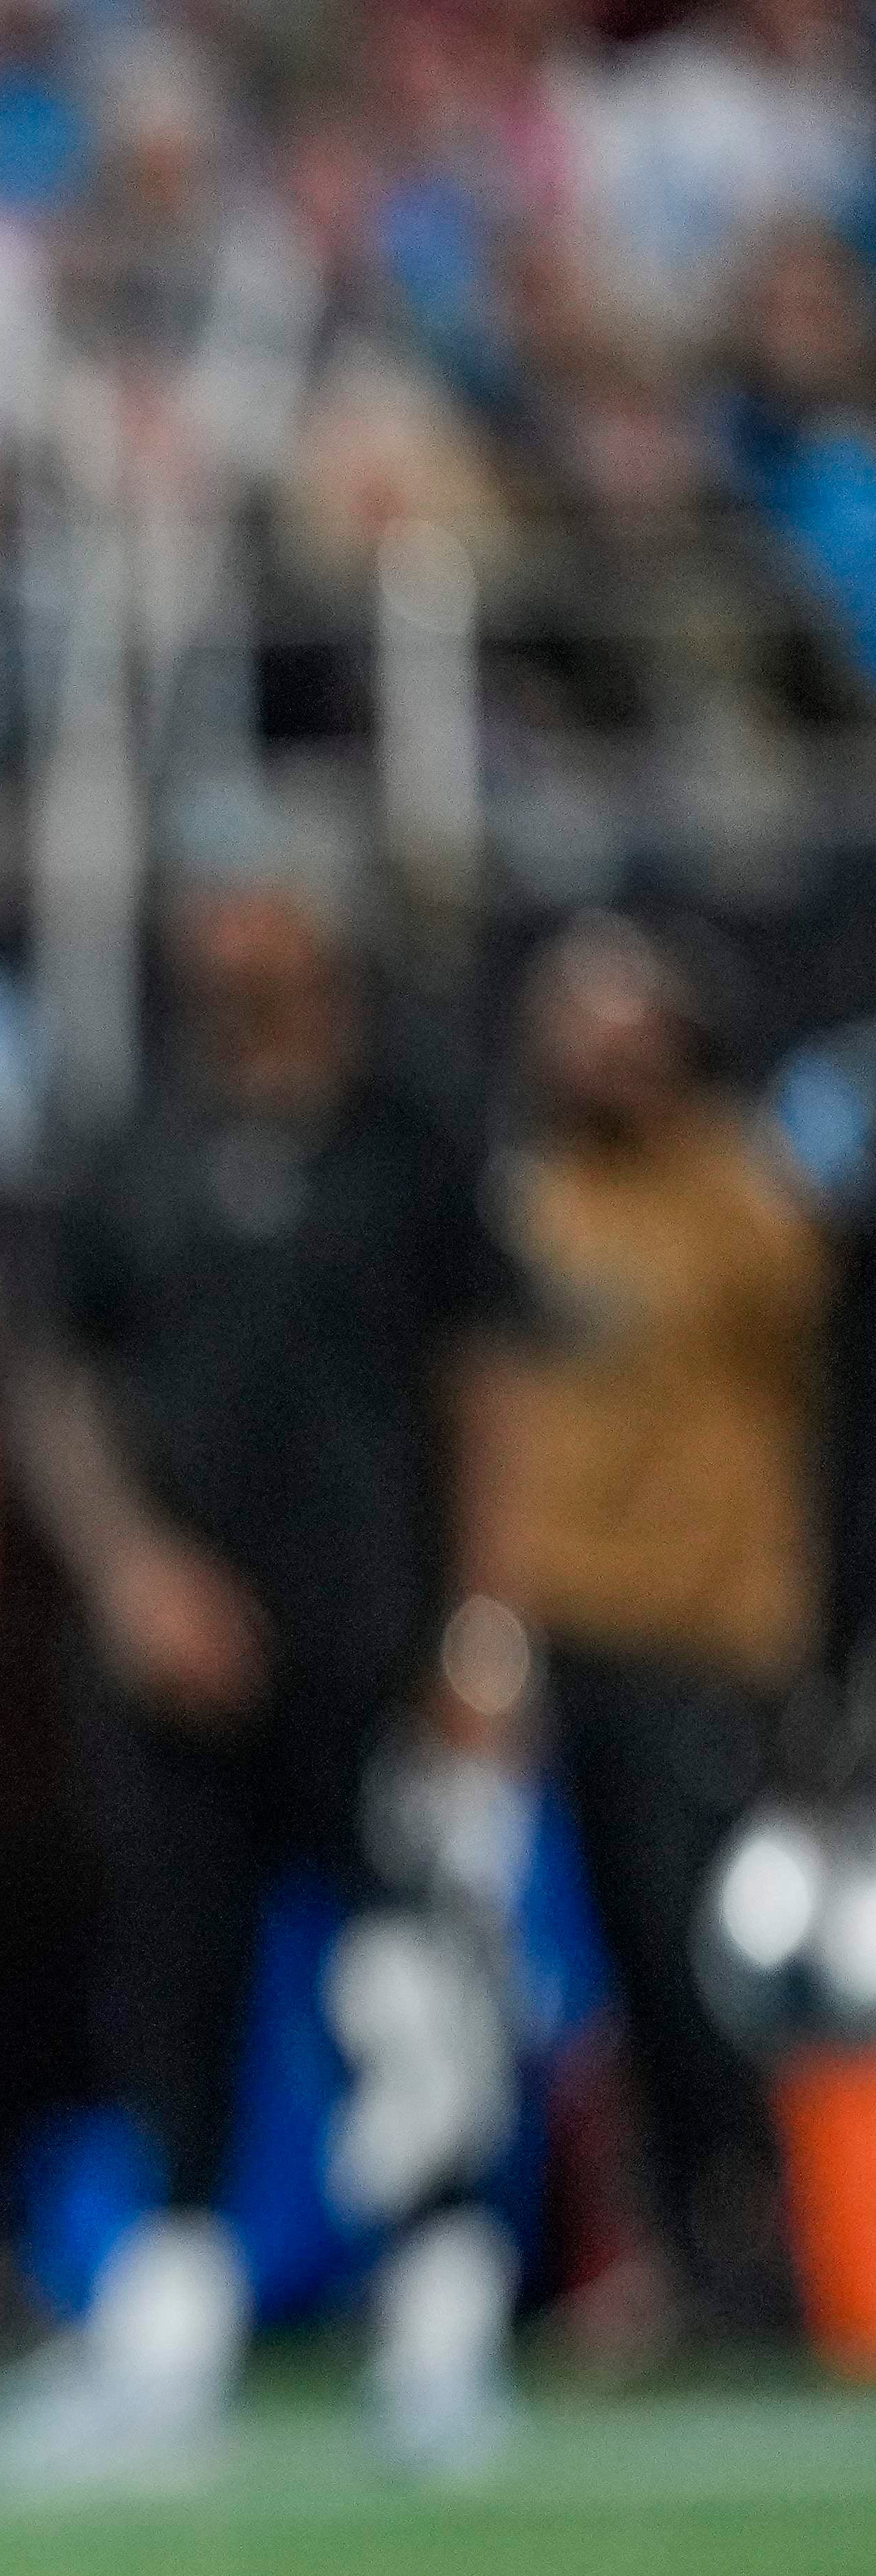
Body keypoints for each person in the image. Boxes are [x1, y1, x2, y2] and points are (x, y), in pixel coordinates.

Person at [1, 848, 523, 2478]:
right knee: (171, 1976)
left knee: (406, 1981)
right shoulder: (133, 1140)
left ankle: (441, 2312)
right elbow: (56, 1379)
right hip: (176, 1652)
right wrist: (134, 1572)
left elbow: (491, 1389)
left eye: (265, 903)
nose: (237, 937)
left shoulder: (408, 1133)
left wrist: (483, 1630)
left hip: (377, 1634)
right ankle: (169, 2316)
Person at [482, 914, 826, 2346]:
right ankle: (657, 2253)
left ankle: (774, 2249)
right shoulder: (520, 1202)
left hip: (704, 1628)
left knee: (720, 1977)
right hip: (555, 1622)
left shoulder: (740, 1193)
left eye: (636, 1030)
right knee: (594, 1981)